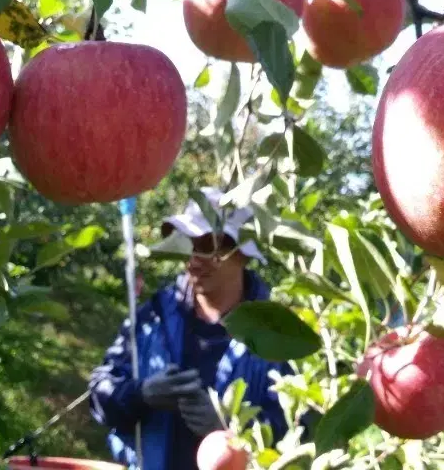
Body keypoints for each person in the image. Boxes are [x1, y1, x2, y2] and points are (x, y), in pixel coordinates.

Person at [88, 187, 296, 470]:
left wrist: (233, 432)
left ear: (243, 254)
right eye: (188, 243)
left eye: (210, 245)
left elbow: (301, 431)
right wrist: (141, 394)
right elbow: (100, 394)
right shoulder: (155, 317)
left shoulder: (279, 333)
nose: (194, 259)